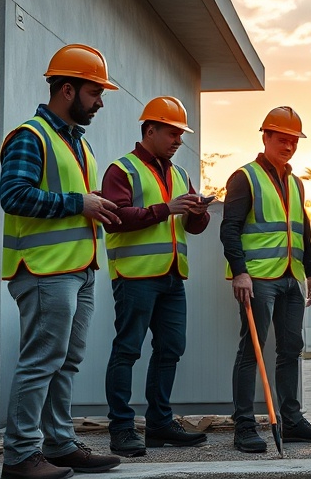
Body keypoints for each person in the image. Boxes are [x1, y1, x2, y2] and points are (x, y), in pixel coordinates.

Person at [0, 44, 122, 479]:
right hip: (44, 270)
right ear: (66, 89)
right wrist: (78, 203)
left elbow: (80, 204)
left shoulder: (78, 145)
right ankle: (19, 458)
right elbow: (13, 196)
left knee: (66, 361)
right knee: (41, 361)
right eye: (95, 92)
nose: (101, 101)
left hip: (77, 270)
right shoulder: (31, 137)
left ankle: (59, 444)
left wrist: (94, 207)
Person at [101, 96, 211, 456]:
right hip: (135, 276)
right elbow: (116, 216)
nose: (179, 140)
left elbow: (193, 226)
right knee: (127, 350)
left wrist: (197, 212)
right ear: (149, 130)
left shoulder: (179, 173)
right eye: (172, 133)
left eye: (181, 134)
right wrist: (167, 208)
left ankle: (159, 424)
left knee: (170, 349)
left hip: (172, 277)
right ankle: (121, 428)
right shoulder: (122, 170)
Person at [220, 107, 311, 453]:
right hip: (258, 279)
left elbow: (302, 231)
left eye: (294, 140)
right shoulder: (244, 177)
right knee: (251, 349)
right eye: (282, 139)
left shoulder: (296, 183)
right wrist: (240, 271)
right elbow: (229, 228)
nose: (289, 146)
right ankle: (245, 425)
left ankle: (291, 420)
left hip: (290, 278)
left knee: (290, 349)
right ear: (265, 137)